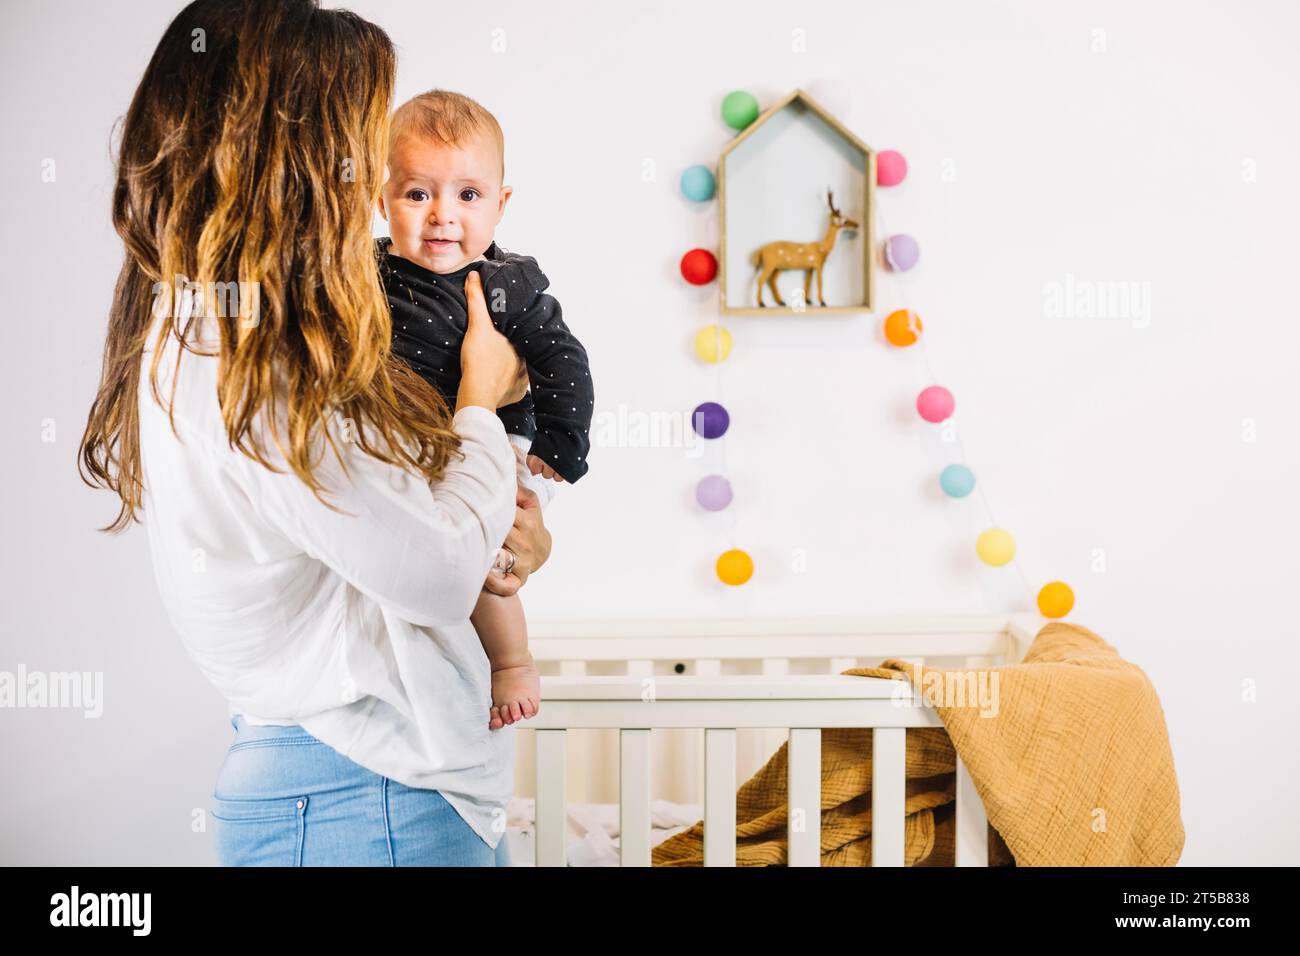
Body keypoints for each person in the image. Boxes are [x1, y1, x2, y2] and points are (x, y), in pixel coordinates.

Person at [77, 0, 548, 866]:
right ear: (295, 158)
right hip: (366, 794)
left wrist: (510, 542)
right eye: (362, 144)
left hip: (358, 791)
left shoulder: (226, 330)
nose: (372, 172)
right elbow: (439, 573)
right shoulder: (252, 360)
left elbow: (417, 540)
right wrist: (482, 399)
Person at [377, 88, 595, 731]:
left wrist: (561, 444)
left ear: (500, 205)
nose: (442, 215)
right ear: (380, 198)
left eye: (467, 196)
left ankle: (511, 663)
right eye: (418, 194)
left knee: (488, 556)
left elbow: (564, 359)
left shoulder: (506, 284)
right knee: (432, 547)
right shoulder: (364, 276)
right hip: (408, 449)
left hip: (497, 447)